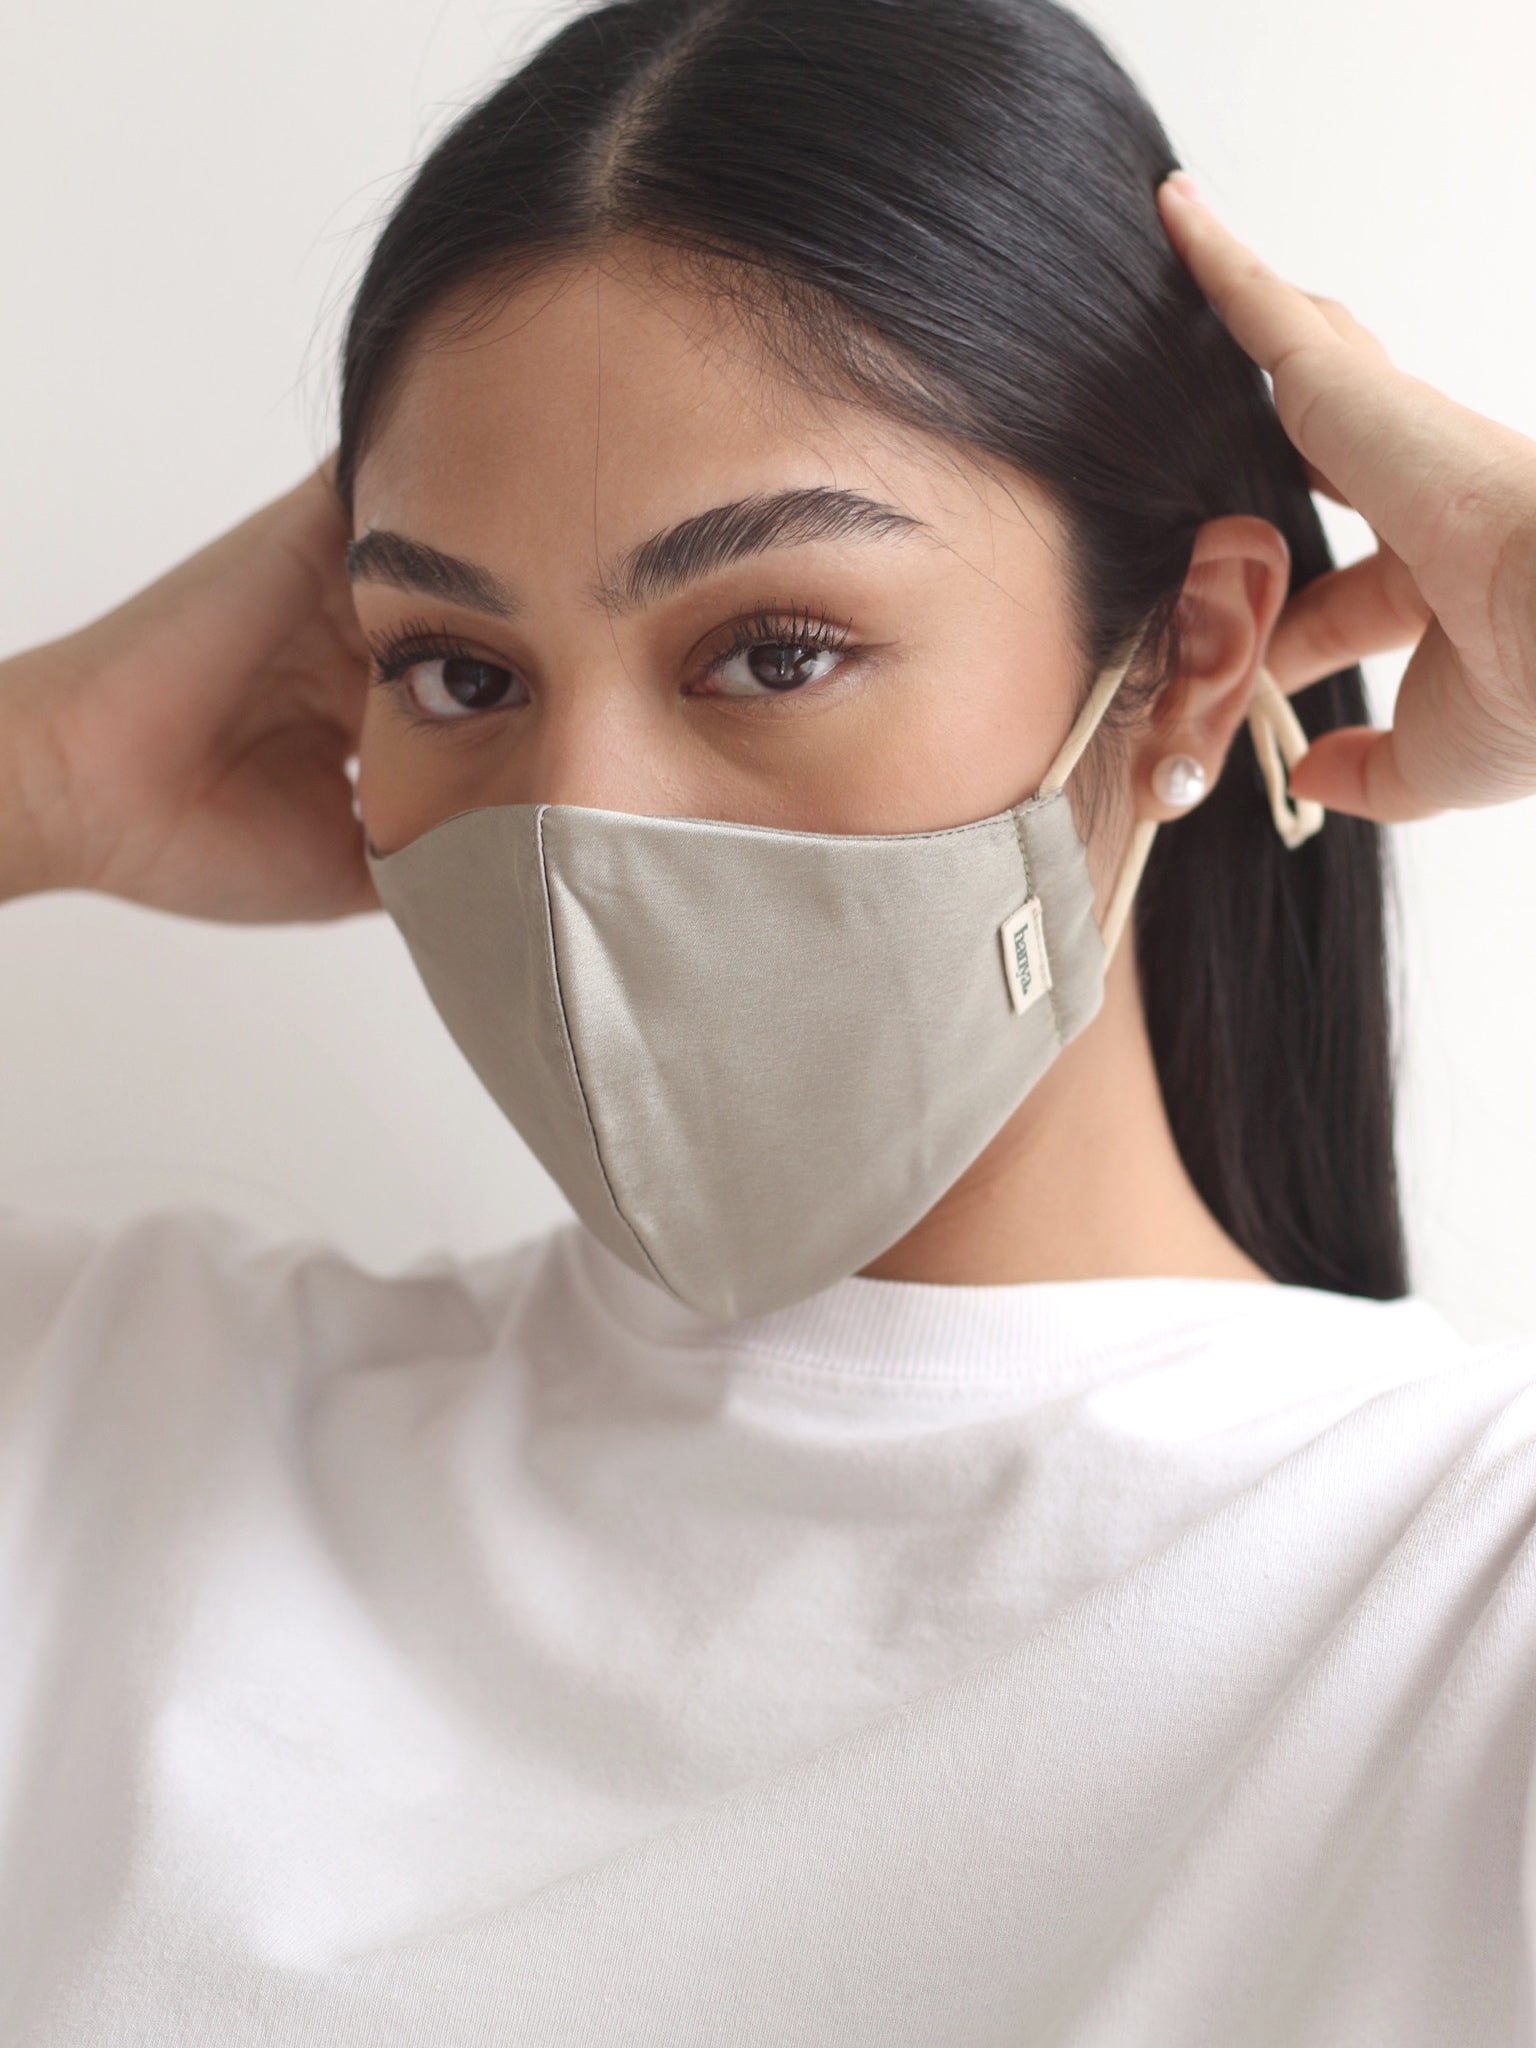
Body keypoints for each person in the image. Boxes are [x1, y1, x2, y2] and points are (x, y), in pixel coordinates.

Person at [3, 0, 1535, 2038]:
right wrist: (45, 773)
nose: (582, 828)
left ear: (1192, 652)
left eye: (777, 648)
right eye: (458, 671)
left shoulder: (1458, 1597)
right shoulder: (107, 1416)